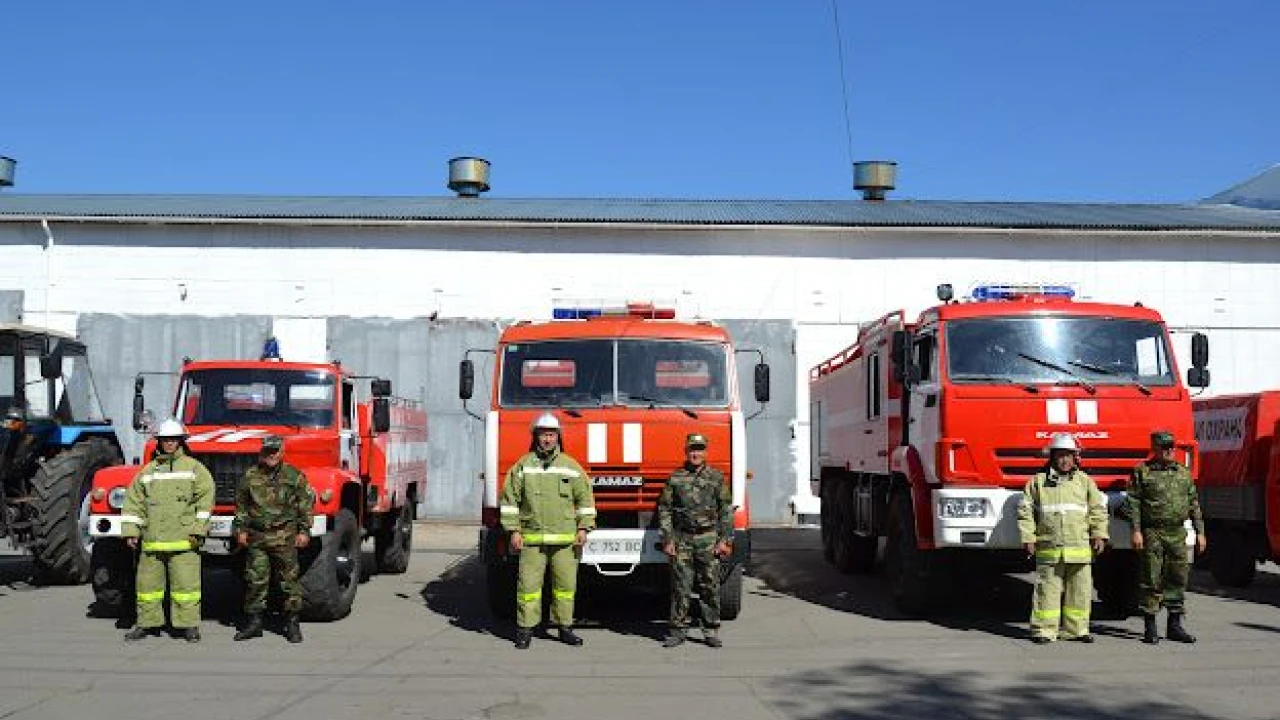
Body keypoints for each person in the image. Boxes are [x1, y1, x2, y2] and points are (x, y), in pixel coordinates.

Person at [499, 412, 596, 649]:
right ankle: (525, 630)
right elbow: (510, 501)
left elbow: (585, 499)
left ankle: (565, 628)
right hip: (531, 540)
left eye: (551, 435)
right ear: (535, 437)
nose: (547, 440)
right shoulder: (522, 467)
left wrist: (584, 528)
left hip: (565, 541)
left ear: (558, 437)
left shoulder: (571, 467)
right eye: (543, 435)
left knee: (565, 587)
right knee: (528, 588)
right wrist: (513, 531)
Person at [120, 419, 214, 643]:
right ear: (159, 442)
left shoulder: (194, 469)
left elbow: (205, 501)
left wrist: (198, 530)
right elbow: (134, 503)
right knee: (147, 588)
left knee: (186, 588)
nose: (169, 444)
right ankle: (147, 624)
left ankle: (188, 626)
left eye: (173, 440)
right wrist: (131, 531)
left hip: (184, 542)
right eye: (165, 440)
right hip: (152, 542)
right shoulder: (148, 471)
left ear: (180, 441)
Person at [1016, 432, 1109, 644]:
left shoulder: (1084, 482)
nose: (1065, 460)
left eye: (1069, 455)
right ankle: (1043, 631)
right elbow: (1025, 512)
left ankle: (1076, 630)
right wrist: (1028, 537)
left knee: (1080, 592)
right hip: (1050, 549)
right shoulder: (1038, 483)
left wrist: (1099, 534)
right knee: (1047, 591)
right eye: (1060, 455)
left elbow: (1098, 510)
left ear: (1076, 457)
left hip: (1079, 548)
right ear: (1052, 457)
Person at [1126, 430, 1206, 645]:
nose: (1170, 450)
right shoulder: (1142, 472)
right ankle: (1150, 626)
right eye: (1165, 447)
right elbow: (1133, 503)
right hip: (1153, 532)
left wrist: (1200, 532)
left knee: (1178, 577)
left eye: (1172, 447)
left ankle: (1174, 625)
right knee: (1151, 577)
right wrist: (1136, 531)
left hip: (1177, 532)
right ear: (1156, 449)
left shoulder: (1182, 473)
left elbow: (1194, 503)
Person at [233, 435, 314, 643]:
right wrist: (240, 530)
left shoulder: (294, 476)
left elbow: (305, 504)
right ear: (262, 453)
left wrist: (304, 531)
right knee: (255, 580)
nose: (271, 455)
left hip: (284, 537)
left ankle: (292, 624)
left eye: (275, 451)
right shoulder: (250, 476)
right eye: (267, 451)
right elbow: (241, 506)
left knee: (289, 581)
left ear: (281, 452)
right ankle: (254, 623)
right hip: (257, 537)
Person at [657, 433, 733, 648]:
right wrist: (667, 539)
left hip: (708, 538)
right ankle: (677, 630)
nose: (695, 453)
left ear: (705, 452)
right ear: (686, 451)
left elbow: (726, 510)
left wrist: (725, 540)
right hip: (682, 538)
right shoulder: (676, 478)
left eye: (699, 449)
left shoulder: (717, 478)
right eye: (692, 449)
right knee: (681, 587)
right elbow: (665, 509)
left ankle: (710, 629)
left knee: (709, 585)